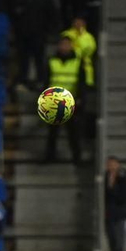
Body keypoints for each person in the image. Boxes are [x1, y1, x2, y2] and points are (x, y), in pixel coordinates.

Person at [43, 36, 82, 164]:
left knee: (73, 132)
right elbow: (46, 80)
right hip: (54, 101)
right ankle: (50, 157)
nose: (64, 47)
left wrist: (80, 98)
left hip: (71, 101)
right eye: (62, 44)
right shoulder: (52, 61)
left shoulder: (77, 62)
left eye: (67, 44)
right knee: (53, 132)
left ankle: (77, 158)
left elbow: (81, 82)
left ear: (71, 46)